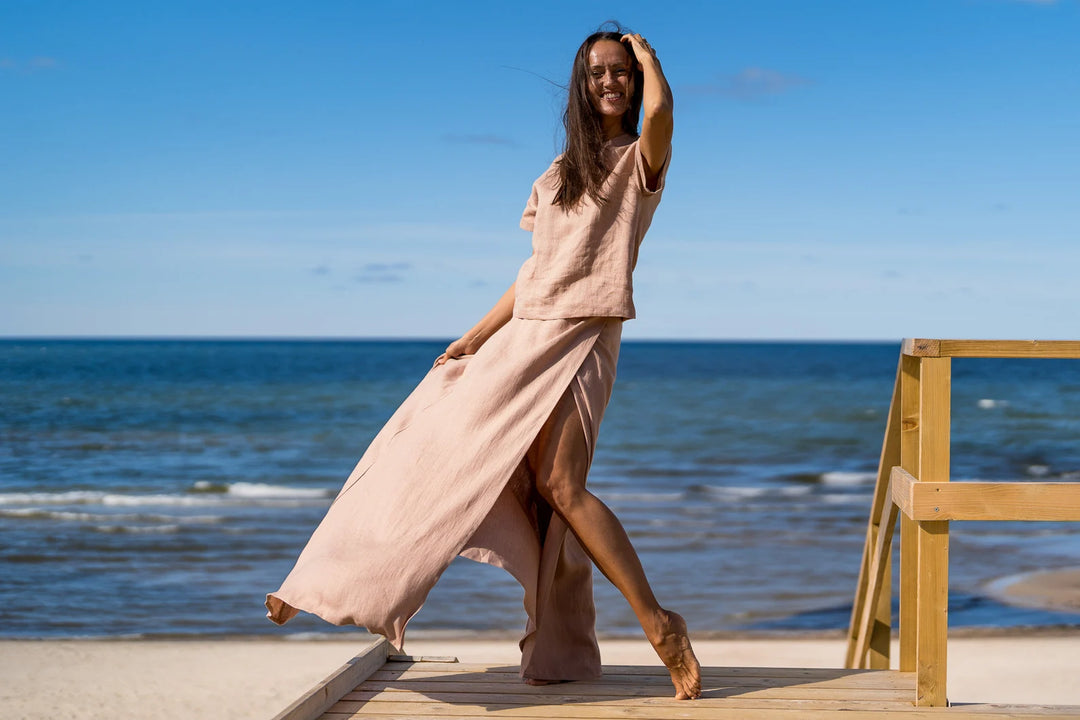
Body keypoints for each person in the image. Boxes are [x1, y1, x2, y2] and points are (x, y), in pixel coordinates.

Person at [267, 26, 702, 701]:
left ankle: (659, 625)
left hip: (583, 338)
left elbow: (665, 116)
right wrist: (474, 335)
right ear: (580, 88)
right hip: (521, 338)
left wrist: (650, 58)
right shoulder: (555, 176)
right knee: (429, 448)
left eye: (621, 72)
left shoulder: (638, 161)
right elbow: (534, 273)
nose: (610, 81)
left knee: (563, 488)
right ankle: (323, 583)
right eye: (596, 73)